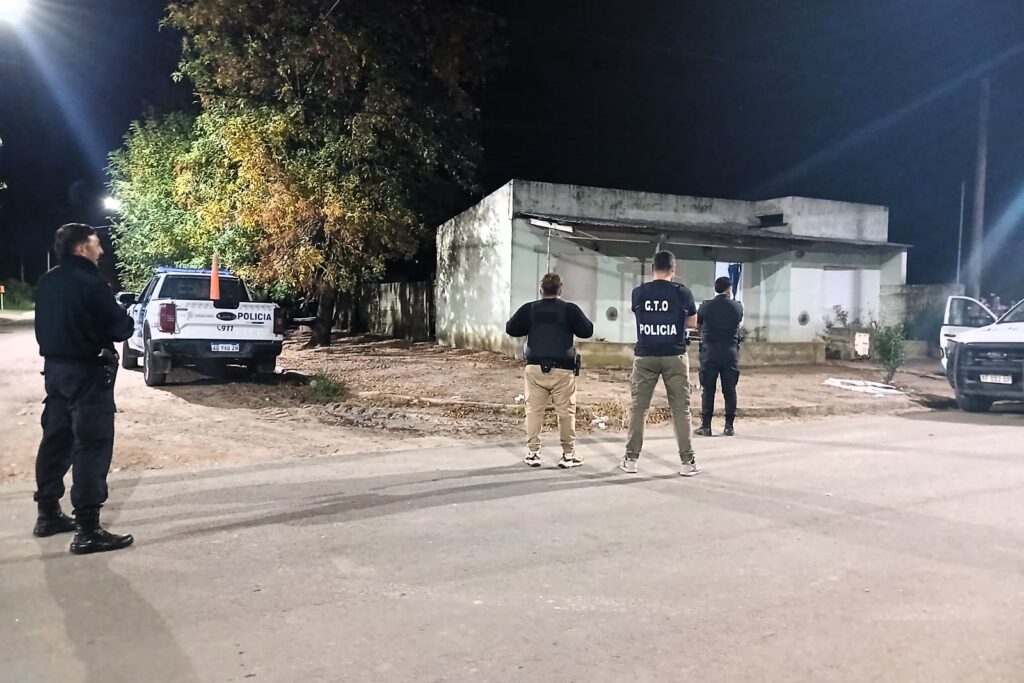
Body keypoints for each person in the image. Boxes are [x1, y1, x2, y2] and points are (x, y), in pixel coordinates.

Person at [33, 224, 136, 555]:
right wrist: (124, 315)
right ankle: (88, 531)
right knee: (92, 445)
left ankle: (48, 513)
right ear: (81, 249)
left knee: (56, 440)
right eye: (96, 244)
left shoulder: (47, 281)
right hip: (88, 373)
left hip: (55, 372)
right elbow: (121, 329)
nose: (100, 250)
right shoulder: (92, 283)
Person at [621, 250, 701, 476]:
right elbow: (692, 323)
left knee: (639, 408)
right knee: (680, 410)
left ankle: (631, 460)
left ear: (652, 268)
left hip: (645, 355)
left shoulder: (639, 293)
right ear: (673, 269)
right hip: (675, 356)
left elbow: (639, 315)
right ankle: (687, 462)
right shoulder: (683, 293)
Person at [505, 273, 594, 468]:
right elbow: (587, 330)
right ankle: (568, 455)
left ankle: (533, 453)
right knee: (566, 413)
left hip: (535, 369)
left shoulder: (530, 309)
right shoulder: (570, 310)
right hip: (563, 371)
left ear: (541, 290)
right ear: (560, 290)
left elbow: (511, 328)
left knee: (533, 412)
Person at [694, 276, 744, 437]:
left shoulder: (705, 306)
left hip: (709, 353)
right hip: (730, 353)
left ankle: (706, 427)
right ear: (729, 289)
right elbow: (737, 323)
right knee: (730, 390)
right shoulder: (737, 306)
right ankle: (729, 426)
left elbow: (698, 325)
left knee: (708, 390)